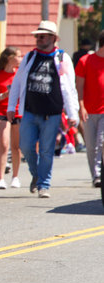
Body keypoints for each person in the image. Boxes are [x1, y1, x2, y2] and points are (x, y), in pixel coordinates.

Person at [7, 21, 79, 198]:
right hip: (30, 111)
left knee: (47, 150)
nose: (39, 39)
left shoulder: (62, 58)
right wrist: (11, 106)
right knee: (26, 146)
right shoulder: (30, 56)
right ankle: (37, 174)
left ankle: (43, 185)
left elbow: (70, 87)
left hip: (52, 113)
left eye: (43, 36)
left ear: (53, 38)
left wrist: (72, 113)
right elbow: (17, 81)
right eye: (37, 36)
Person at [0, 47, 23, 189]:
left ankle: (15, 177)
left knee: (16, 146)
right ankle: (1, 179)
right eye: (19, 56)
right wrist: (4, 95)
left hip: (17, 113)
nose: (21, 59)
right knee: (3, 145)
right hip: (2, 112)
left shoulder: (20, 75)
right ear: (10, 58)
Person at [75, 30, 104, 187]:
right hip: (89, 110)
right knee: (91, 146)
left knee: (101, 142)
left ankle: (99, 174)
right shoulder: (85, 61)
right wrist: (81, 107)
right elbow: (78, 86)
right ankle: (95, 176)